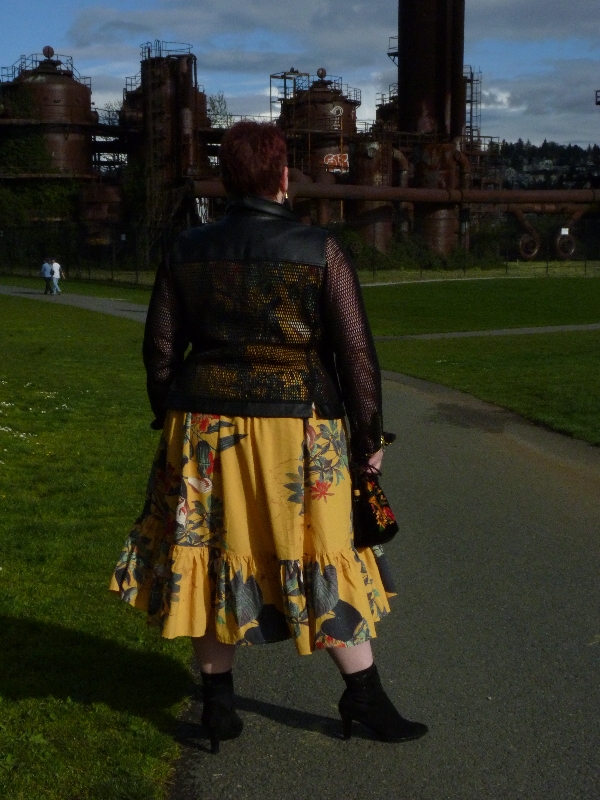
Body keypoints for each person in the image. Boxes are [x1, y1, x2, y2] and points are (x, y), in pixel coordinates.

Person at [110, 120, 427, 753]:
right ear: (284, 176)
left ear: (227, 180)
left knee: (207, 552)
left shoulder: (187, 248)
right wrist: (368, 438)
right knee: (325, 550)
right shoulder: (319, 248)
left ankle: (217, 706)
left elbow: (160, 349)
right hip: (300, 427)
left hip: (204, 427)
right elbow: (356, 354)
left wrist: (172, 420)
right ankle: (363, 696)